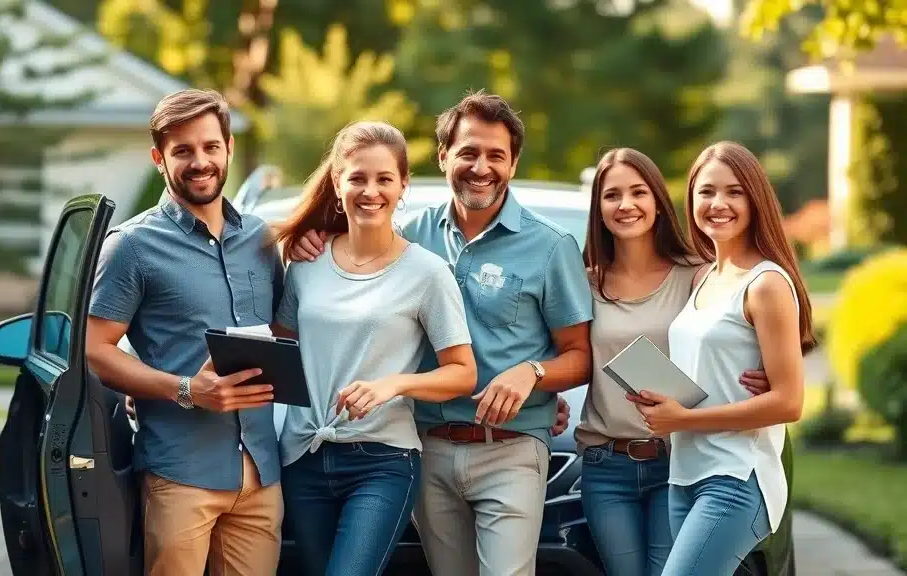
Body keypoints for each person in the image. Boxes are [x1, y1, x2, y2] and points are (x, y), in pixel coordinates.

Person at [290, 90, 593, 576]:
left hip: (512, 448)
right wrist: (319, 238)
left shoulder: (551, 246)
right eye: (468, 152)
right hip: (423, 445)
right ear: (443, 156)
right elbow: (351, 267)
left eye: (496, 155)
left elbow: (579, 357)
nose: (481, 166)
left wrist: (532, 373)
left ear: (513, 164)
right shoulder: (408, 237)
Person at [85, 88, 284, 576]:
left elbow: (285, 329)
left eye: (210, 147)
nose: (201, 161)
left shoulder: (261, 239)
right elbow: (94, 349)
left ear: (229, 149)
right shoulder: (132, 245)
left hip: (260, 475)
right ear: (159, 158)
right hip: (180, 474)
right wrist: (184, 389)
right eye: (183, 151)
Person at [269, 120, 477, 576]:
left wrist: (393, 385)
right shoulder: (306, 264)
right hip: (303, 456)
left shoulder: (427, 272)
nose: (371, 191)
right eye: (358, 178)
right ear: (337, 183)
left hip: (382, 461)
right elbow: (279, 346)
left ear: (404, 184)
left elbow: (463, 372)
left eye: (385, 179)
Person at [574, 147, 771, 576]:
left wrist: (770, 371)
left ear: (659, 203)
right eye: (612, 196)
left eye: (638, 192)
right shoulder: (582, 282)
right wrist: (549, 397)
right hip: (605, 466)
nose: (626, 205)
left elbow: (747, 326)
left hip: (677, 460)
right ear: (599, 209)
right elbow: (568, 355)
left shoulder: (698, 274)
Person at [628, 141, 813, 576]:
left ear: (756, 200)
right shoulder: (706, 276)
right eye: (706, 191)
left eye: (735, 192)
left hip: (737, 477)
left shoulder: (765, 283)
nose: (718, 204)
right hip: (686, 474)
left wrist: (680, 420)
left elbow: (790, 403)